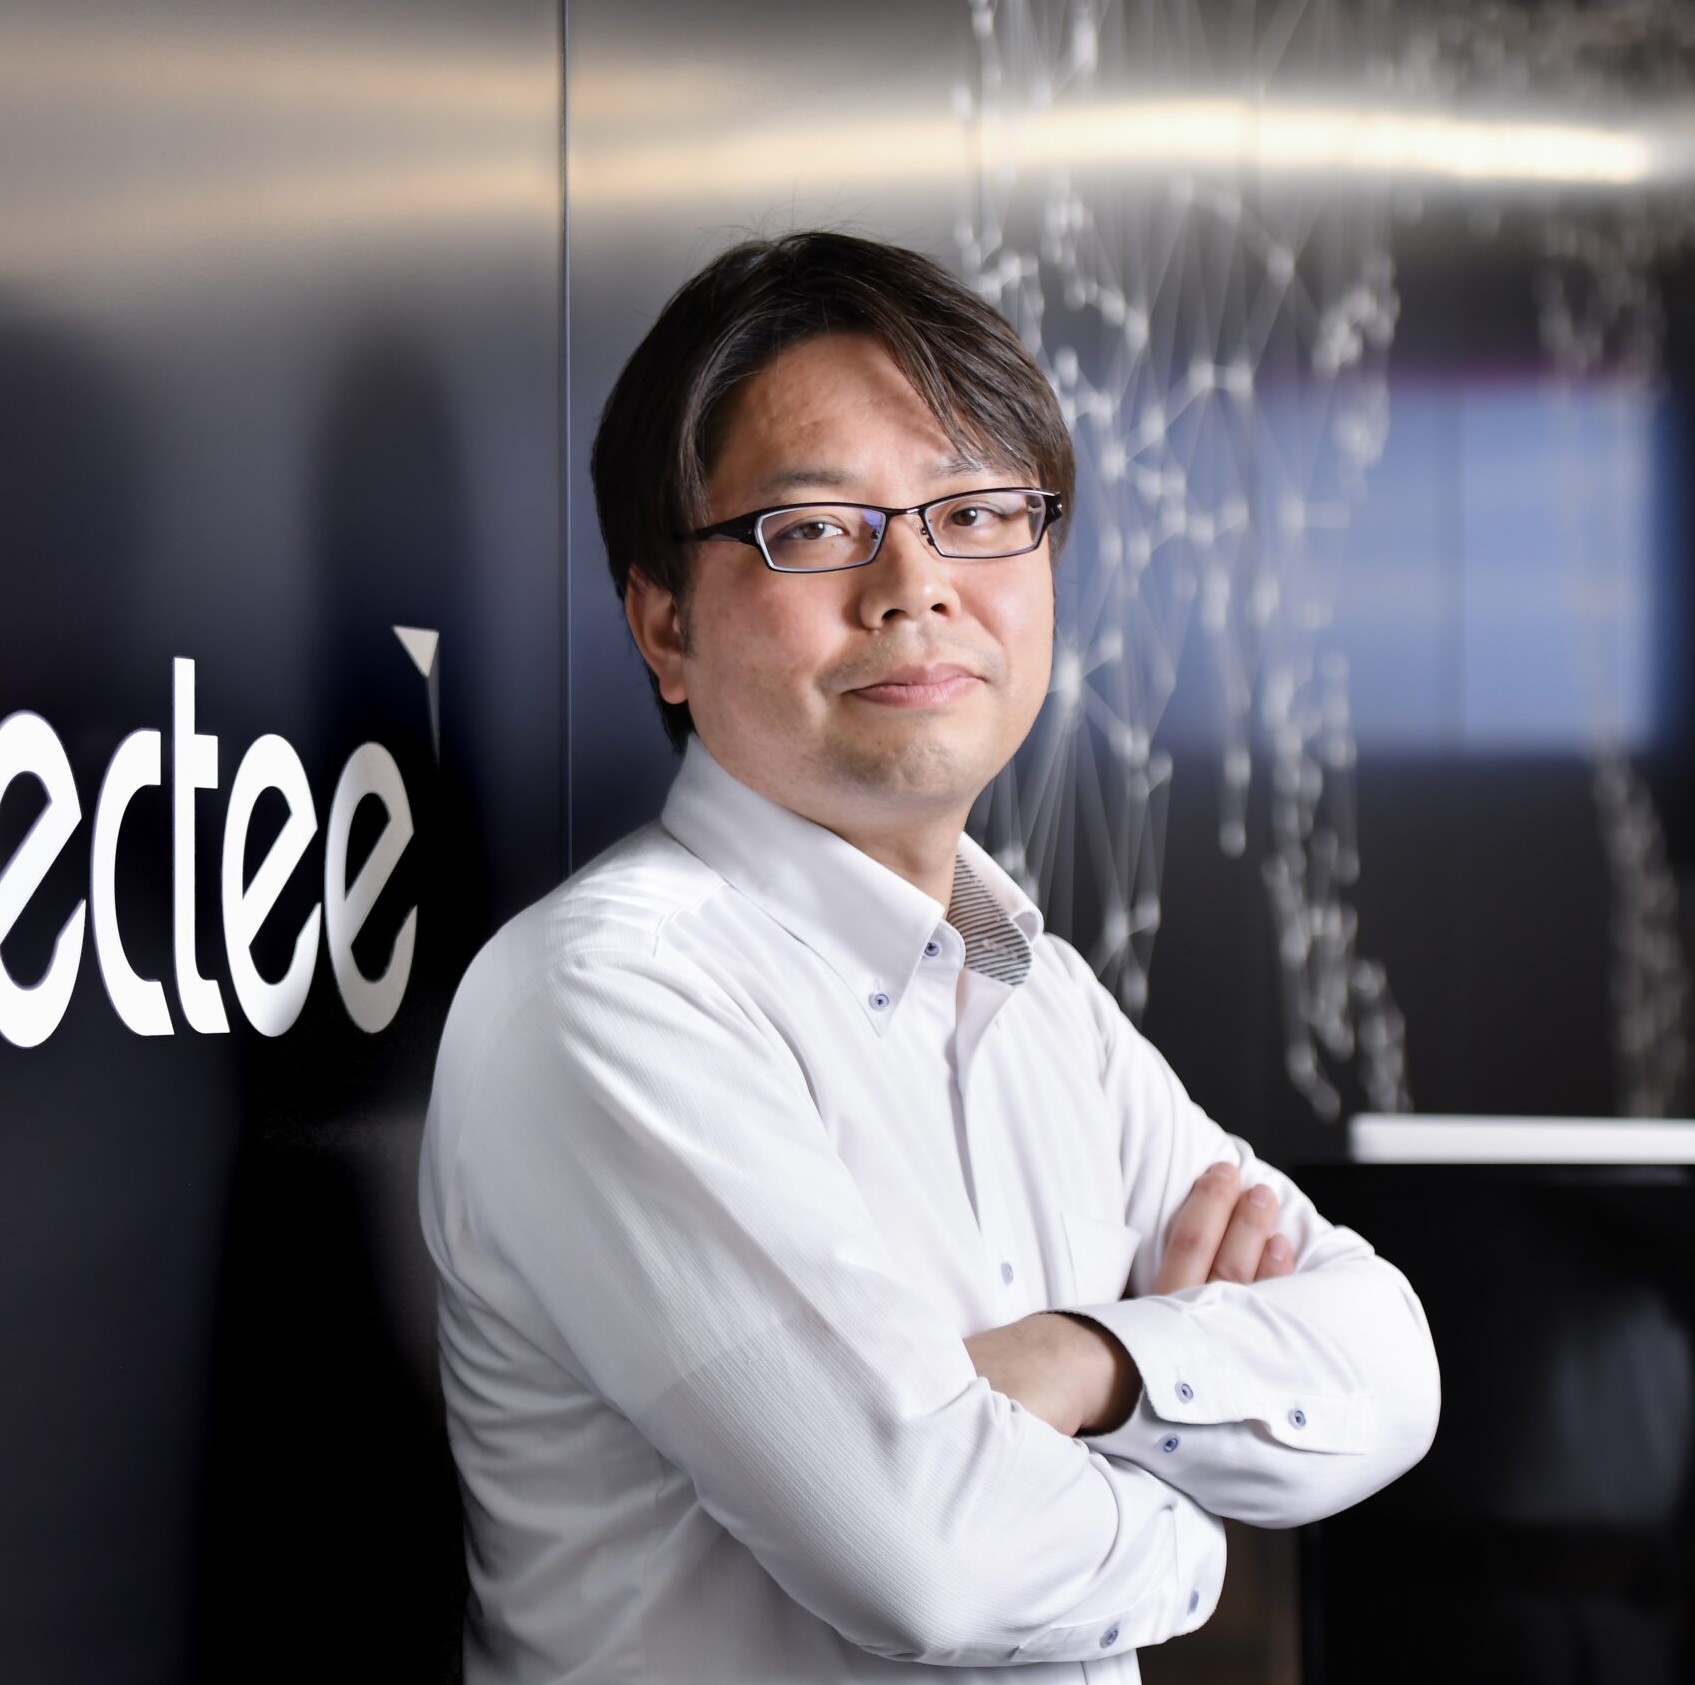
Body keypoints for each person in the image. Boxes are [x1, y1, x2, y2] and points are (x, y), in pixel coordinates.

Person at [415, 231, 1441, 1682]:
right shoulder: (612, 998)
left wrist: (1095, 1361)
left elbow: (1390, 1364)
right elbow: (934, 1559)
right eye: (815, 527)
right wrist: (1199, 1521)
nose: (915, 585)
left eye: (975, 512)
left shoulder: (1039, 996)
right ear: (664, 625)